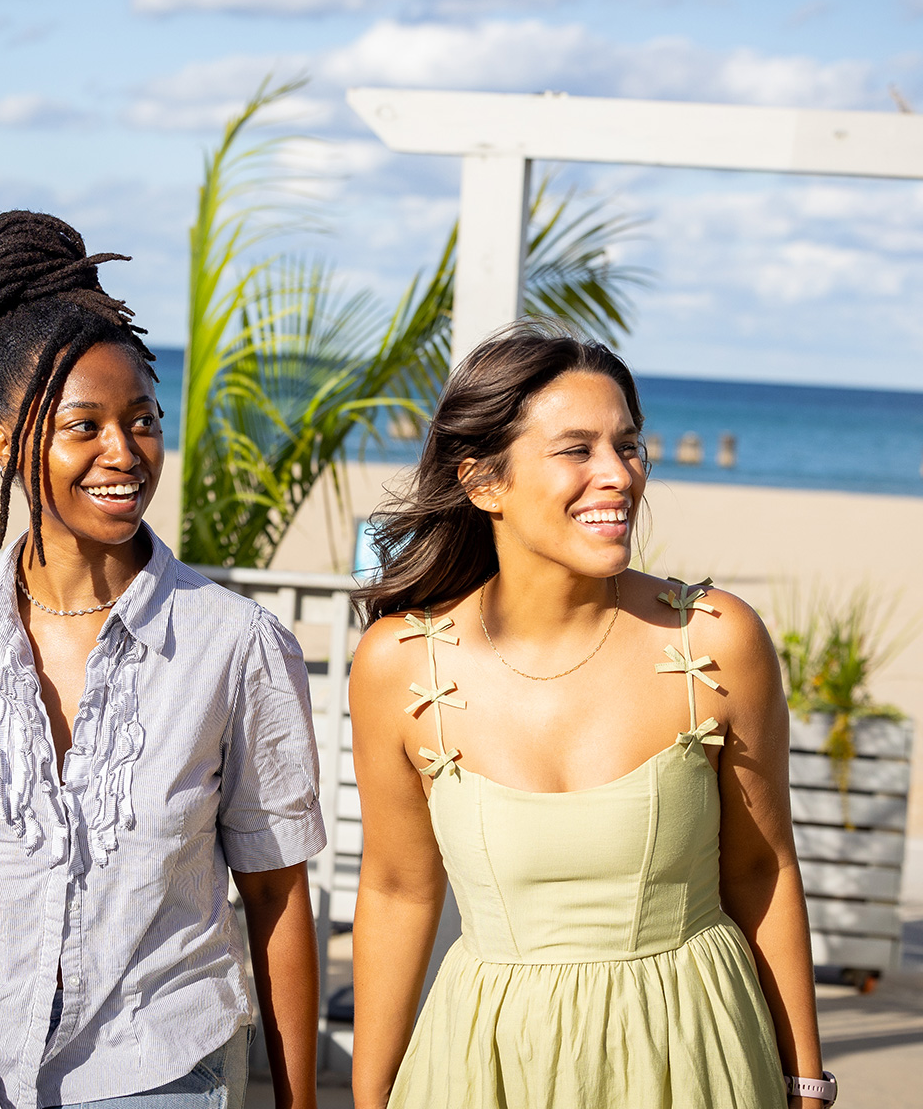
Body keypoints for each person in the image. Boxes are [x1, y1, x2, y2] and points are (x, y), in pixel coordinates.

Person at [0, 210, 326, 1109]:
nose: (124, 452)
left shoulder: (238, 647)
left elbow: (275, 897)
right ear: (7, 444)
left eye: (142, 420)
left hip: (154, 1072)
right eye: (84, 426)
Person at [347, 324, 834, 1109]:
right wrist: (367, 1101)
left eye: (629, 446)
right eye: (577, 449)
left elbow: (761, 867)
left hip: (694, 1055)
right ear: (483, 483)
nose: (618, 475)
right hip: (486, 1066)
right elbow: (399, 891)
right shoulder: (399, 665)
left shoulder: (715, 638)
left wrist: (806, 1083)